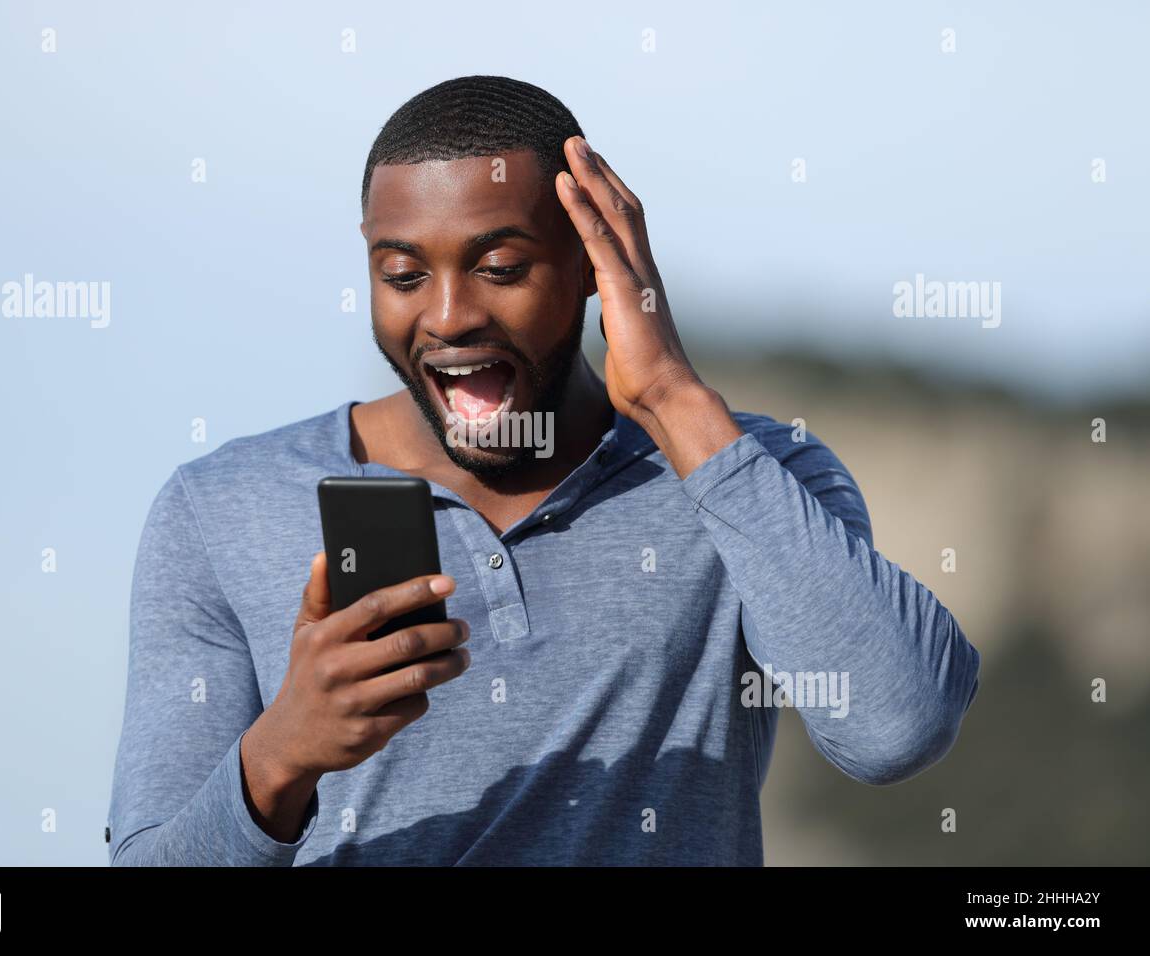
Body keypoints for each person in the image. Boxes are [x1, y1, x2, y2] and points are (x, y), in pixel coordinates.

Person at [106, 75, 981, 866]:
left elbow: (896, 727)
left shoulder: (751, 475)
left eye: (501, 268)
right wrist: (282, 752)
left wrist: (674, 397)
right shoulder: (219, 510)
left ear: (596, 264)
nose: (449, 317)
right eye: (402, 274)